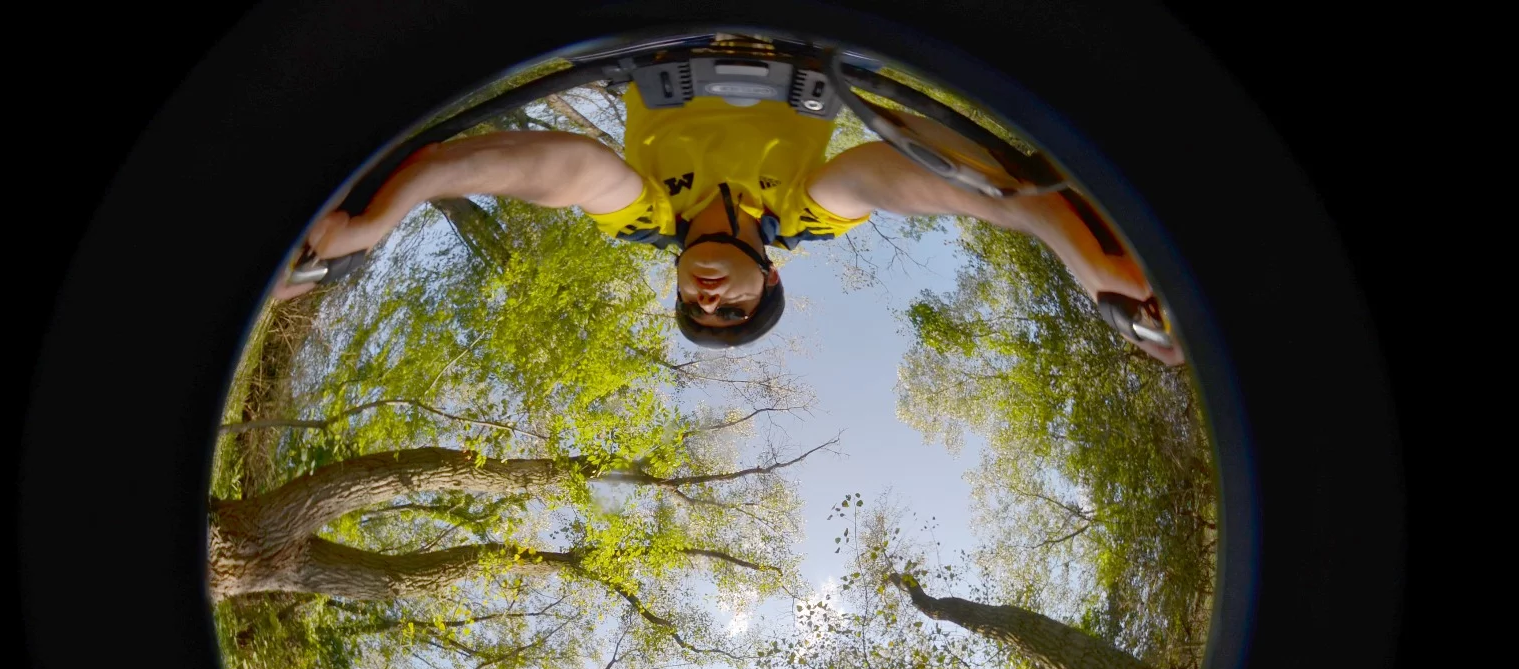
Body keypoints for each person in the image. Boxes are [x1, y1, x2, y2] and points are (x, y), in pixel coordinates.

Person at [275, 81, 1183, 366]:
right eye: (736, 313)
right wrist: (1070, 240)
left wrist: (380, 218)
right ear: (772, 279)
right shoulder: (810, 218)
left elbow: (504, 167)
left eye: (698, 314)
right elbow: (930, 183)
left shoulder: (636, 213)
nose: (711, 303)